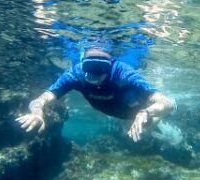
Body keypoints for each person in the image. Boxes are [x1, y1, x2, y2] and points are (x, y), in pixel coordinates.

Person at [16, 47, 175, 142]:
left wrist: (145, 113)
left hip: (136, 111)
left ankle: (162, 115)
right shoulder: (75, 74)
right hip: (115, 110)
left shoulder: (122, 72)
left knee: (152, 123)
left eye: (100, 69)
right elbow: (41, 99)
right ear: (82, 62)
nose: (94, 75)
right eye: (89, 67)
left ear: (110, 66)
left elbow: (165, 102)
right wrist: (37, 113)